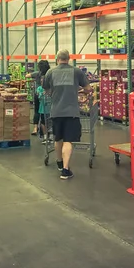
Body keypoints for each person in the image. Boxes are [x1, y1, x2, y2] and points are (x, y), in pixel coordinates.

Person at [43, 49, 92, 180]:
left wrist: (54, 93)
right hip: (71, 112)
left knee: (58, 138)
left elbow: (46, 90)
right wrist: (81, 90)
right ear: (69, 59)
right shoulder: (76, 71)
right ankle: (65, 170)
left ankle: (59, 162)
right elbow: (88, 88)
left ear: (57, 59)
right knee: (68, 140)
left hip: (56, 111)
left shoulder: (50, 72)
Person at [26, 60, 51, 137]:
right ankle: (47, 132)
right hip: (47, 95)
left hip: (38, 94)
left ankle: (35, 128)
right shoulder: (50, 73)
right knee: (47, 113)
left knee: (37, 111)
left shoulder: (37, 74)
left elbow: (27, 76)